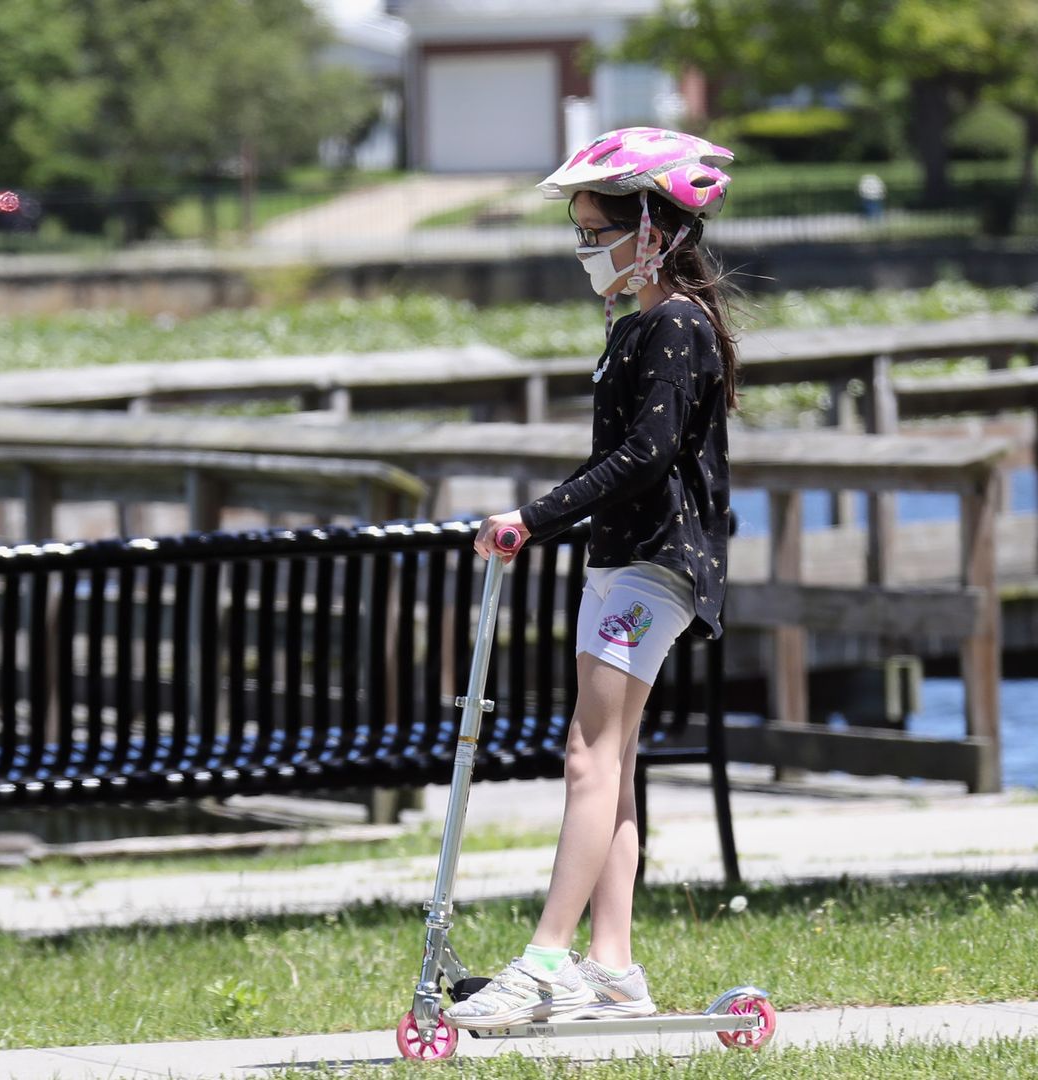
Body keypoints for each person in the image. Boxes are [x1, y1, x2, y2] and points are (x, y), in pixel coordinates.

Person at [448, 128, 741, 1028]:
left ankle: (546, 962)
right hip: (625, 562)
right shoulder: (637, 322)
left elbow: (648, 454)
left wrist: (531, 517)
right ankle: (611, 967)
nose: (585, 249)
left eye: (594, 230)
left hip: (654, 563)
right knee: (610, 763)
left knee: (588, 757)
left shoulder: (674, 324)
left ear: (650, 228)